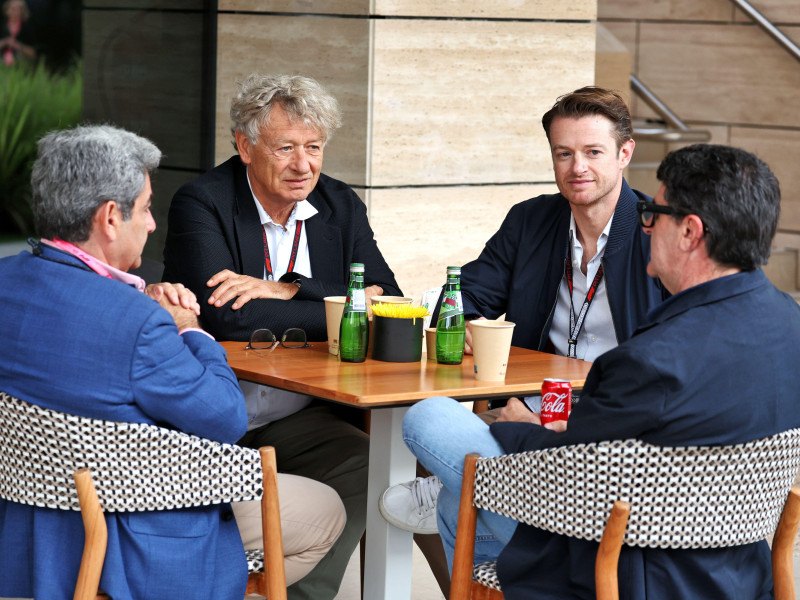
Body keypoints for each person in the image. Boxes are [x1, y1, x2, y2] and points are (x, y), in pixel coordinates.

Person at [402, 143, 800, 599]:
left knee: (430, 418)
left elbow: (570, 471)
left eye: (653, 213)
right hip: (738, 569)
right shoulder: (790, 324)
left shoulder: (654, 359)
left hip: (628, 568)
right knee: (457, 497)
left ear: (690, 232)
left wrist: (521, 428)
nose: (645, 227)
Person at [0, 125, 345, 599]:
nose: (152, 224)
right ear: (108, 219)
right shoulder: (137, 324)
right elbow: (227, 417)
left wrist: (143, 293)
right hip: (129, 540)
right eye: (144, 208)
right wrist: (188, 328)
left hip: (26, 529)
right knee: (327, 508)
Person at [380, 87, 667, 594]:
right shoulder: (532, 219)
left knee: (435, 436)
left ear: (625, 154)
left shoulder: (653, 235)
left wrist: (546, 426)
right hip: (529, 405)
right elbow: (468, 294)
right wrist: (463, 321)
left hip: (603, 432)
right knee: (455, 495)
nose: (577, 167)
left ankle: (478, 481)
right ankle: (476, 481)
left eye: (593, 152)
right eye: (564, 153)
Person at [162, 73, 402, 599]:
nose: (303, 165)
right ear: (245, 146)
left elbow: (389, 302)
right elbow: (230, 321)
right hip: (218, 422)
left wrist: (289, 290)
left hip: (302, 415)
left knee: (369, 466)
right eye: (286, 147)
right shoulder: (201, 203)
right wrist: (342, 306)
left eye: (314, 147)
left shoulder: (340, 206)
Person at [0, 0, 35, 65]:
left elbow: (32, 53)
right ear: (7, 11)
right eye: (13, 9)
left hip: (20, 61)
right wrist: (5, 42)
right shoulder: (1, 25)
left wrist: (17, 45)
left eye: (19, 9)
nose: (16, 12)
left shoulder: (27, 27)